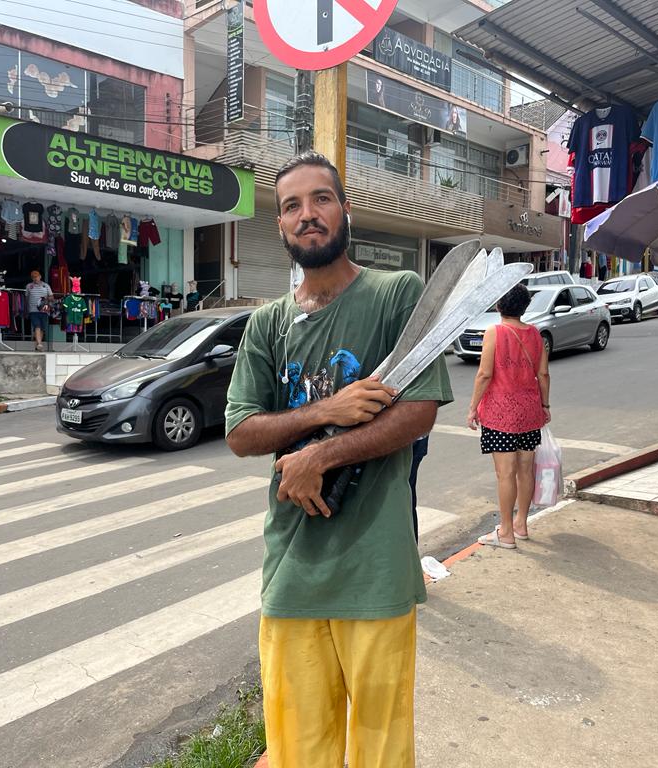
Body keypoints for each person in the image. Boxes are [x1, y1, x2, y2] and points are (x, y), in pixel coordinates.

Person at [225, 151, 452, 767]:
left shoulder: (393, 294)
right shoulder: (267, 325)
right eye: (292, 206)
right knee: (299, 749)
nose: (307, 215)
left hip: (374, 568)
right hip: (292, 570)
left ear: (345, 210)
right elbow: (242, 432)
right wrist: (324, 416)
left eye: (320, 199)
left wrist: (318, 456)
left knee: (381, 749)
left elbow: (419, 409)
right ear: (279, 226)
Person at [467, 283, 551, 548]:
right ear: (524, 306)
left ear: (499, 304)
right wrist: (545, 407)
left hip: (500, 414)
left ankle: (505, 532)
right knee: (525, 469)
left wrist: (472, 408)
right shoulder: (535, 334)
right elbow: (544, 374)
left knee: (505, 474)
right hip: (529, 412)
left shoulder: (495, 332)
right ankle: (521, 524)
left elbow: (484, 374)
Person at [25, 270, 54, 351]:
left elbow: (52, 297)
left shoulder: (46, 286)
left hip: (44, 310)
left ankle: (38, 345)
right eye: (33, 277)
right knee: (37, 326)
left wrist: (46, 298)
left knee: (41, 328)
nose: (35, 279)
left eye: (36, 277)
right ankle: (40, 344)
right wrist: (26, 309)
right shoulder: (29, 286)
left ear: (40, 276)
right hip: (33, 310)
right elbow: (26, 298)